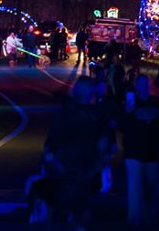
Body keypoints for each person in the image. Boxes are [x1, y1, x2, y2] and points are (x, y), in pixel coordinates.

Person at [31, 76, 114, 226]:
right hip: (84, 166)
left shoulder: (67, 112)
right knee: (80, 204)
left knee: (68, 201)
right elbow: (103, 140)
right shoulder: (94, 115)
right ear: (90, 94)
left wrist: (49, 152)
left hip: (68, 165)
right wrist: (105, 161)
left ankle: (68, 217)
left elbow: (54, 136)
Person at [121, 75, 159, 227]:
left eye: (145, 83)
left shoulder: (158, 102)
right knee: (134, 187)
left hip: (152, 151)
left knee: (152, 185)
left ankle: (151, 214)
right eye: (140, 83)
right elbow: (122, 124)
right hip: (134, 151)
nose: (142, 86)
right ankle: (134, 219)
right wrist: (127, 112)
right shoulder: (130, 103)